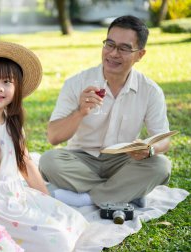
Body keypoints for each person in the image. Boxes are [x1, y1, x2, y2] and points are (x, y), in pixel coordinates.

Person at [0, 41, 88, 251]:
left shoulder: (11, 121)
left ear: (17, 87)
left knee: (74, 220)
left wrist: (46, 201)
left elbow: (25, 163)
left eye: (7, 81)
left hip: (15, 195)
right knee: (58, 240)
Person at [39, 15, 172, 208]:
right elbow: (53, 137)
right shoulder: (77, 83)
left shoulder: (150, 91)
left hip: (124, 162)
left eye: (124, 48)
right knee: (49, 161)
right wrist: (80, 111)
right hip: (81, 160)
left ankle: (88, 199)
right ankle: (126, 193)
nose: (113, 53)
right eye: (109, 44)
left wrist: (149, 149)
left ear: (140, 55)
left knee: (161, 165)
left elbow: (163, 139)